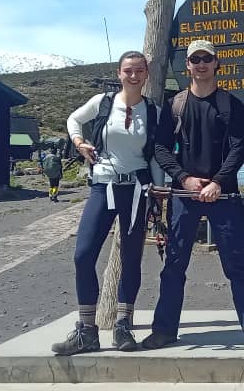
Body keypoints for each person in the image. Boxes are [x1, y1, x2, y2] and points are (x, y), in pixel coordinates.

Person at [141, 39, 244, 352]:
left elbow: (240, 147)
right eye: (195, 59)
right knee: (174, 264)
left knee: (238, 264)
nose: (201, 64)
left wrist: (218, 182)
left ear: (216, 64)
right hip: (183, 196)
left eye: (207, 59)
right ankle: (164, 330)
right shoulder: (175, 106)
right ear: (187, 65)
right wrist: (184, 179)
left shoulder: (231, 105)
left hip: (223, 197)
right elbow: (160, 148)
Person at [51, 50, 159, 355]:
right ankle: (87, 329)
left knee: (132, 257)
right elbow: (74, 119)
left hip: (137, 190)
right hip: (103, 186)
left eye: (139, 70)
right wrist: (79, 142)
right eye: (128, 70)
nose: (134, 75)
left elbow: (157, 154)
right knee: (83, 255)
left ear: (146, 74)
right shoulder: (103, 103)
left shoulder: (154, 111)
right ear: (119, 73)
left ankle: (123, 326)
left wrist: (160, 189)